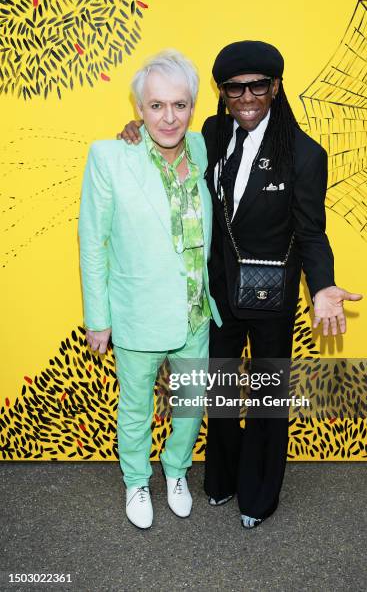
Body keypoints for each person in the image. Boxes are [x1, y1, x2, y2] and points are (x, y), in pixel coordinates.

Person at [117, 40, 362, 528]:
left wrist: (323, 286)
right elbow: (166, 143)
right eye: (235, 88)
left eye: (258, 87)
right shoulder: (209, 132)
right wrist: (136, 129)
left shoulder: (305, 155)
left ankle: (259, 496)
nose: (247, 97)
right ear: (222, 93)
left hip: (271, 295)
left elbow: (312, 232)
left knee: (268, 398)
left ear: (275, 88)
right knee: (223, 391)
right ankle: (222, 480)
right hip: (218, 292)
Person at [78, 49, 221, 530]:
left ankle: (176, 469)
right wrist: (98, 319)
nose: (168, 116)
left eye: (179, 105)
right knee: (136, 409)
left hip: (194, 314)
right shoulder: (109, 157)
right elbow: (93, 242)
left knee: (191, 405)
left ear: (193, 108)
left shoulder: (201, 149)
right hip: (137, 314)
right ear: (138, 108)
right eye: (156, 105)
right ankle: (136, 480)